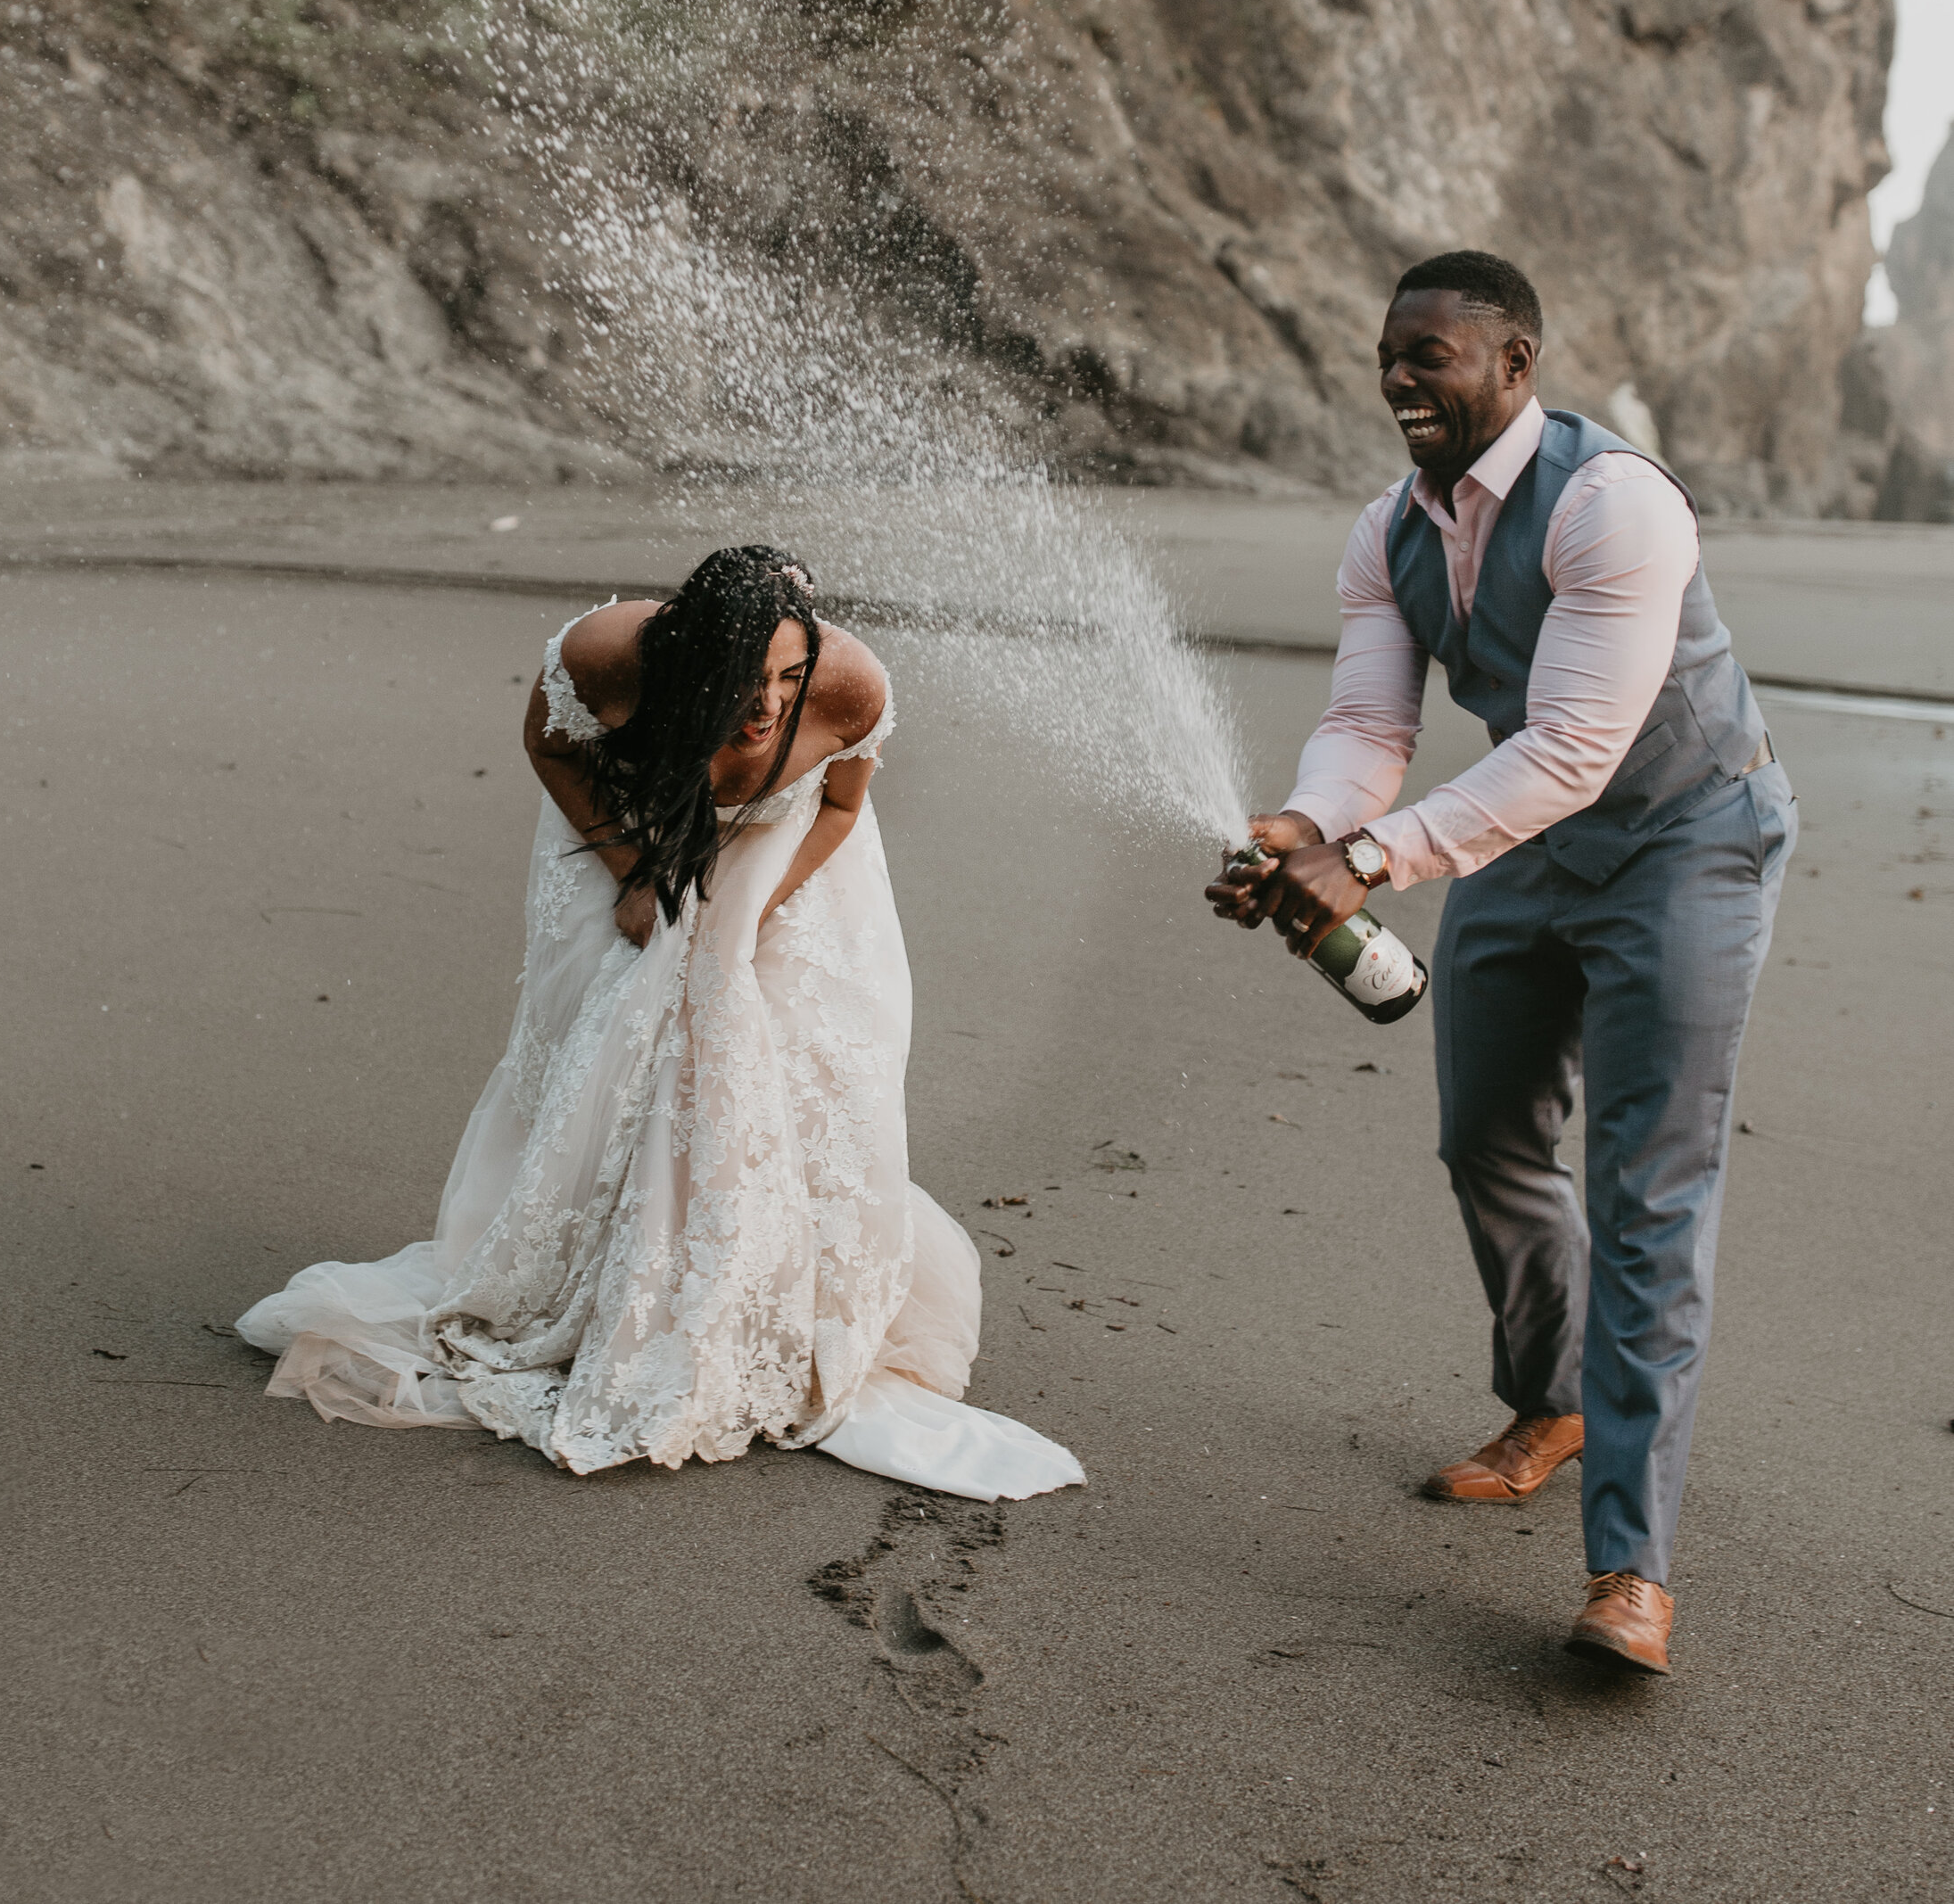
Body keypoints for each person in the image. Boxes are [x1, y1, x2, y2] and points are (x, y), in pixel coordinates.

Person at [1208, 251, 1793, 1674]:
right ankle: (1554, 1397)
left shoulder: (1616, 503)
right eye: (1391, 354)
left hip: (1687, 837)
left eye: (1435, 355)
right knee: (1485, 1139)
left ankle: (1630, 1569)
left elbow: (1584, 743)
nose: (1403, 378)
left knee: (1648, 1193)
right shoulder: (1387, 532)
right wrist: (1306, 820)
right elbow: (1367, 726)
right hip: (1522, 837)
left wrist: (1372, 860)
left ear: (1516, 363)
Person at [240, 545, 1083, 1503]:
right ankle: (596, 1272)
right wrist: (632, 868)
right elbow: (552, 748)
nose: (767, 704)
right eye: (742, 680)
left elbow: (839, 808)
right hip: (619, 822)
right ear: (683, 661)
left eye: (786, 675)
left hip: (787, 849)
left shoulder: (849, 687)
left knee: (776, 1054)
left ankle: (753, 1291)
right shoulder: (604, 658)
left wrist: (745, 915)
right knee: (608, 1038)